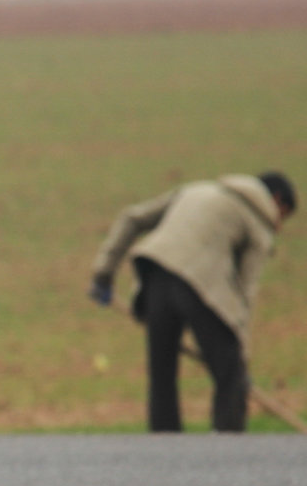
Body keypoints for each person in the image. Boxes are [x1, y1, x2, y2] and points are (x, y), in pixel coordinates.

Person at [89, 172, 296, 432]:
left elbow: (132, 218)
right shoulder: (257, 224)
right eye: (284, 216)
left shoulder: (197, 190)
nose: (279, 226)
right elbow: (245, 294)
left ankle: (165, 453)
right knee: (230, 378)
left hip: (155, 276)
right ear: (277, 201)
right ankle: (230, 455)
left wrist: (103, 275)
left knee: (162, 376)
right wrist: (241, 358)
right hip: (201, 288)